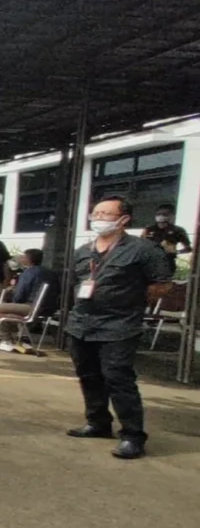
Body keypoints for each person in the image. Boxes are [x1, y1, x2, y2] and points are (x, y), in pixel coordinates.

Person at [65, 196, 173, 459]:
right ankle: (98, 422)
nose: (98, 218)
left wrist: (130, 301)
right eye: (95, 213)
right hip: (82, 323)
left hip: (119, 325)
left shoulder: (143, 250)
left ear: (124, 219)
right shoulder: (84, 250)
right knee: (88, 375)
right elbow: (77, 283)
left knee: (118, 378)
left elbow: (161, 284)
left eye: (105, 214)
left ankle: (133, 435)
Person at [0, 248, 59, 345]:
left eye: (23, 256)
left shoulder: (28, 273)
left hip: (31, 308)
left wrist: (12, 296)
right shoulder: (51, 273)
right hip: (48, 308)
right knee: (11, 308)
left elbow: (20, 295)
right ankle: (21, 335)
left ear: (28, 259)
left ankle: (6, 339)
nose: (21, 258)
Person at [141, 203, 191, 276]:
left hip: (167, 263)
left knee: (164, 285)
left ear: (171, 216)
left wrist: (175, 251)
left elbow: (188, 248)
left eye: (164, 214)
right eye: (158, 214)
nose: (161, 216)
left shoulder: (178, 230)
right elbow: (140, 244)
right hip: (149, 263)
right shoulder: (148, 229)